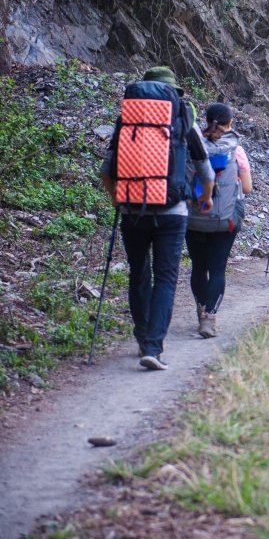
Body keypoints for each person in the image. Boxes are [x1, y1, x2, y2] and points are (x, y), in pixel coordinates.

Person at [99, 66, 214, 371]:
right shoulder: (183, 117)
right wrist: (206, 197)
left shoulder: (128, 118)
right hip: (172, 211)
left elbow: (106, 170)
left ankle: (141, 336)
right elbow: (205, 169)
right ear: (174, 92)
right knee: (165, 278)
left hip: (131, 209)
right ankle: (154, 346)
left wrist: (118, 199)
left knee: (138, 272)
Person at [185, 103, 253, 339]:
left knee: (198, 267)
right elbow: (247, 188)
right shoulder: (237, 150)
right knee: (217, 269)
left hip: (193, 218)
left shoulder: (192, 146)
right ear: (230, 122)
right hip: (224, 221)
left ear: (206, 120)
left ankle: (201, 308)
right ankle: (209, 318)